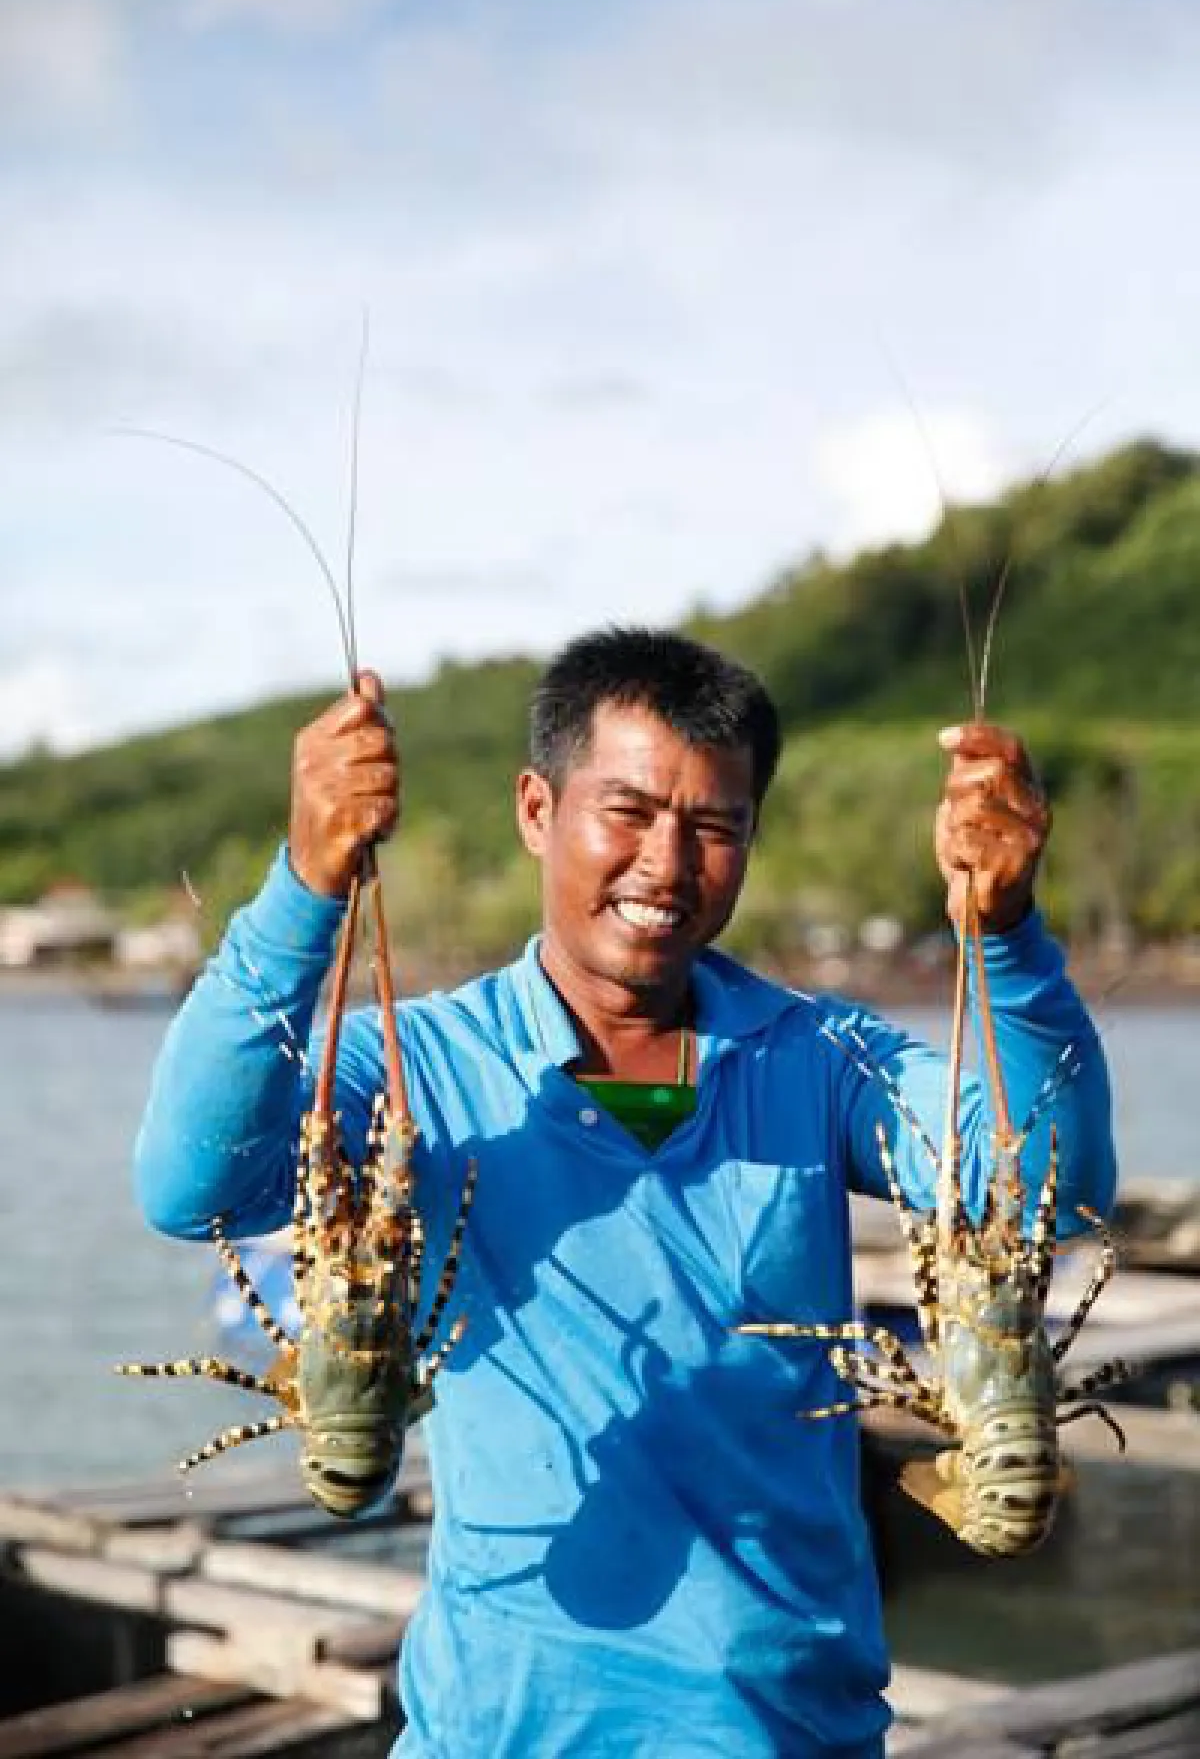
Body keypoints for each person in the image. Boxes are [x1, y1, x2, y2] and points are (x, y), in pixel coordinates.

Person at [134, 626, 1115, 1758]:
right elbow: (191, 1183)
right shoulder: (410, 1063)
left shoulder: (826, 1060)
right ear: (537, 809)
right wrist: (306, 890)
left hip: (784, 1733)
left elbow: (1048, 1192)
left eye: (714, 827)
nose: (667, 864)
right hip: (492, 1736)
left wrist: (1006, 939)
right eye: (631, 812)